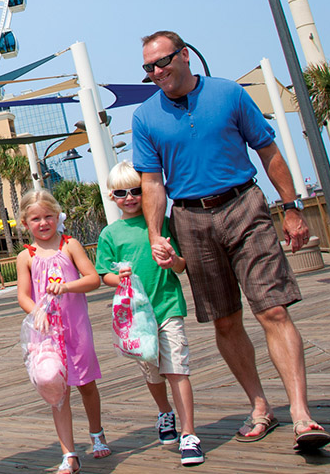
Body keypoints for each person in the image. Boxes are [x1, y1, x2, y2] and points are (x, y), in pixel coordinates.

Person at [133, 30, 330, 452]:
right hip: (189, 218)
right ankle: (260, 406)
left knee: (273, 309)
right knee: (224, 319)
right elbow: (152, 183)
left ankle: (301, 415)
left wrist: (292, 208)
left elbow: (268, 150)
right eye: (148, 67)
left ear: (185, 56)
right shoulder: (145, 117)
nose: (156, 72)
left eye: (162, 62)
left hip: (244, 205)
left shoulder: (229, 95)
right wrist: (155, 233)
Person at [97, 162, 202, 466]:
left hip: (168, 304)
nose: (129, 198)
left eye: (136, 191)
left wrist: (174, 261)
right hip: (136, 316)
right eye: (121, 193)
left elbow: (183, 265)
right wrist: (122, 278)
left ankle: (189, 433)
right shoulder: (110, 234)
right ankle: (164, 411)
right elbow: (104, 273)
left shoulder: (162, 223)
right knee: (152, 371)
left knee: (177, 367)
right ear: (111, 196)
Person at [16, 189, 107, 473]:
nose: (43, 223)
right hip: (47, 334)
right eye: (35, 219)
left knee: (86, 384)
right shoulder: (26, 256)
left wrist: (67, 287)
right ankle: (69, 453)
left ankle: (96, 433)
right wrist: (37, 311)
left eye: (48, 217)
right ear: (25, 223)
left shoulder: (70, 245)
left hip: (76, 329)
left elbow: (93, 279)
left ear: (58, 217)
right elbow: (23, 295)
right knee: (57, 390)